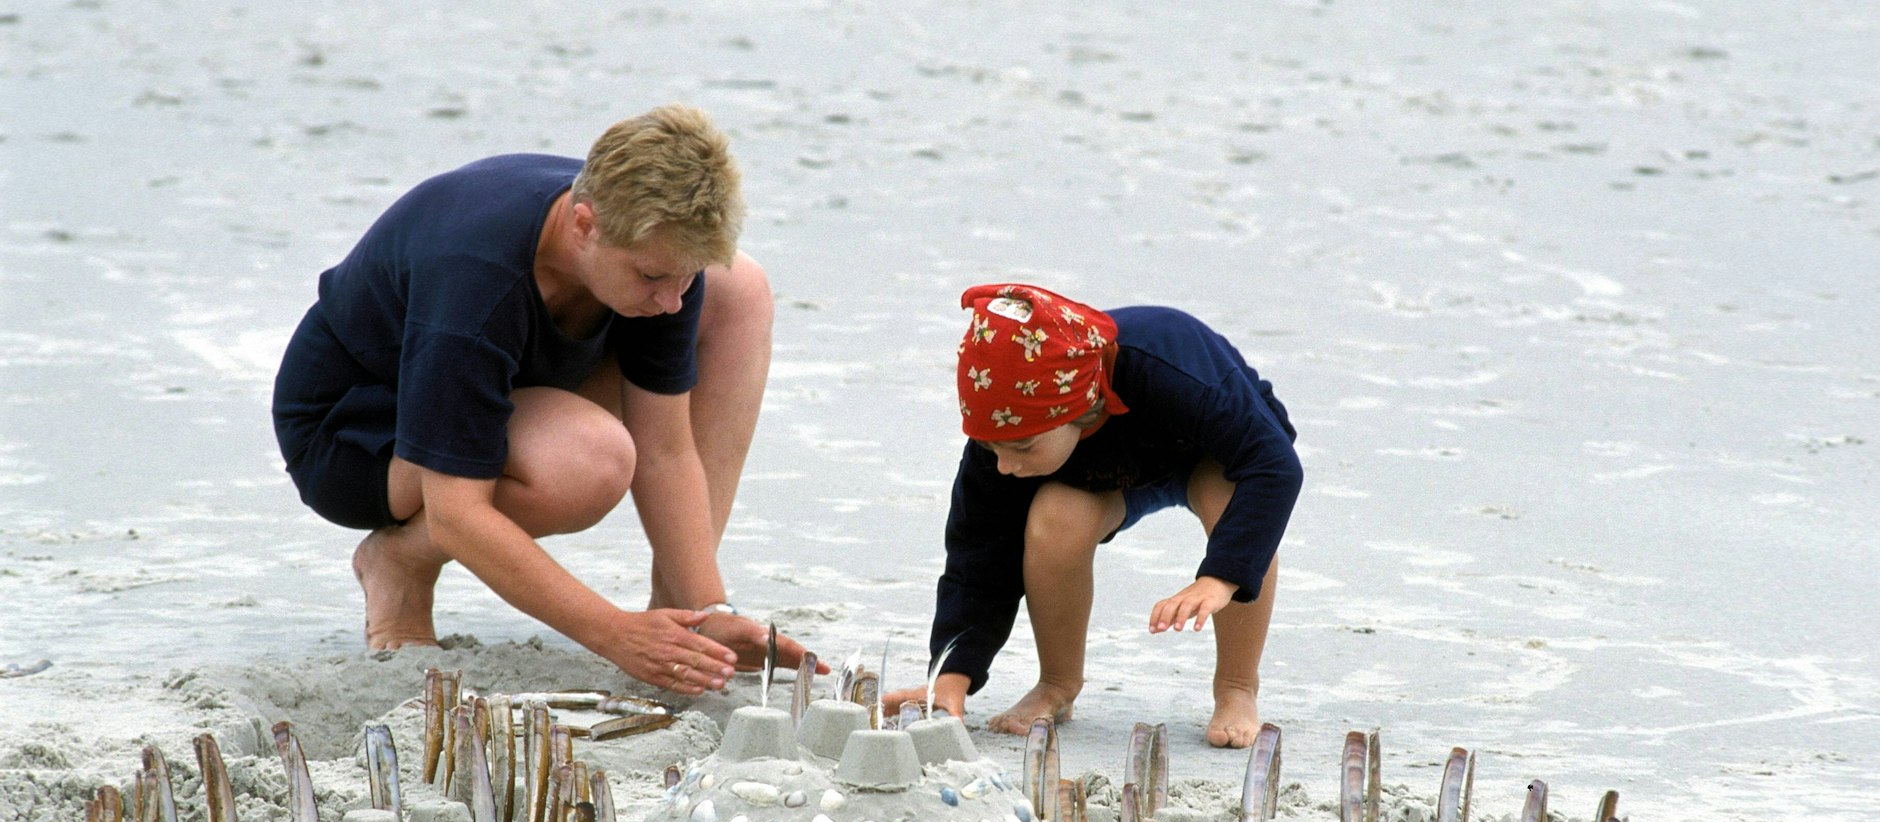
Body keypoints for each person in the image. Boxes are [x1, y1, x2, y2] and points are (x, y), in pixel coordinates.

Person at [271, 105, 822, 694]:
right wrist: (615, 634)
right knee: (590, 462)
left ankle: (680, 611)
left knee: (738, 289)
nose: (671, 301)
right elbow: (458, 513)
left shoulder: (655, 255)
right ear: (584, 225)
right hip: (359, 432)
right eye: (651, 277)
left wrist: (709, 607)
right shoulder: (476, 272)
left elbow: (664, 446)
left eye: (684, 276)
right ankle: (402, 561)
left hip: (508, 380)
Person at [883, 283, 1302, 748]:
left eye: (1022, 447)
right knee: (1055, 518)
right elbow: (977, 558)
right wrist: (951, 676)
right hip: (1109, 474)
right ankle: (1058, 683)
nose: (1003, 465)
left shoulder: (1170, 367)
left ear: (1076, 408)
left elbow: (1274, 464)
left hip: (1210, 454)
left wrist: (1220, 578)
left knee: (1234, 507)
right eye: (990, 447)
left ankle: (1237, 687)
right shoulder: (1003, 428)